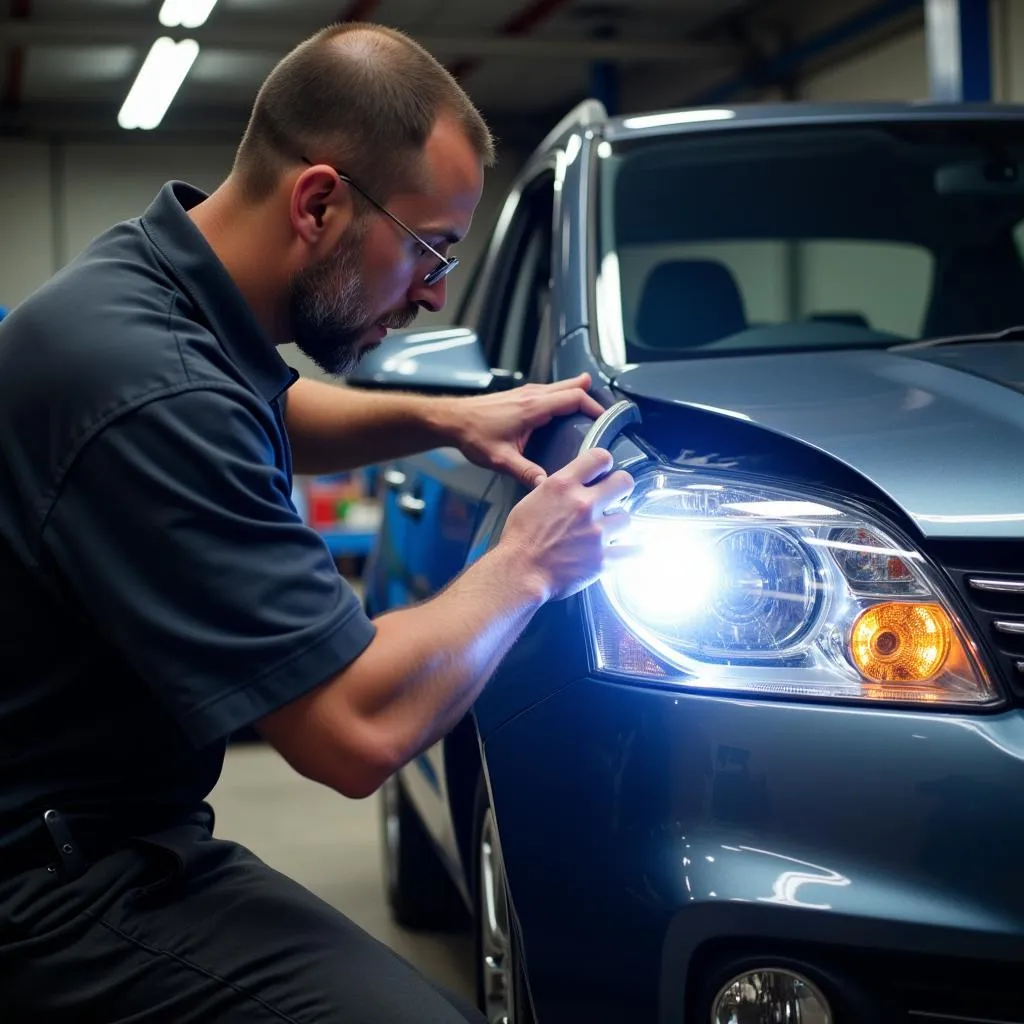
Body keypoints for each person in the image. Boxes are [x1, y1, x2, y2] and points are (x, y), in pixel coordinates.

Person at [0, 20, 634, 1023]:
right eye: (429, 249)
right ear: (320, 201)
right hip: (49, 883)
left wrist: (444, 416)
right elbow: (352, 729)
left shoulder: (161, 290)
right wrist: (528, 563)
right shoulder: (148, 386)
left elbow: (270, 410)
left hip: (109, 827)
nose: (432, 294)